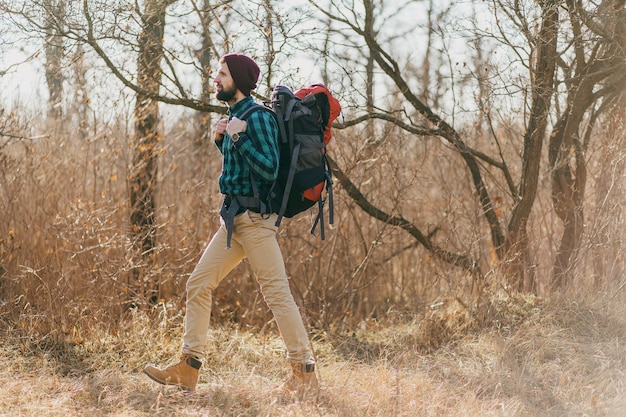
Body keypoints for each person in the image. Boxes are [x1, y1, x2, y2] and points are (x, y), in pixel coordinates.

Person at [143, 53, 318, 398]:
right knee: (198, 284)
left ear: (237, 79)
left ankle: (304, 372)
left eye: (221, 74)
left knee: (277, 294)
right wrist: (221, 140)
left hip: (255, 221)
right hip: (234, 221)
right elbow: (238, 173)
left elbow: (269, 169)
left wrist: (238, 137)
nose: (216, 79)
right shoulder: (234, 116)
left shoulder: (259, 117)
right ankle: (188, 369)